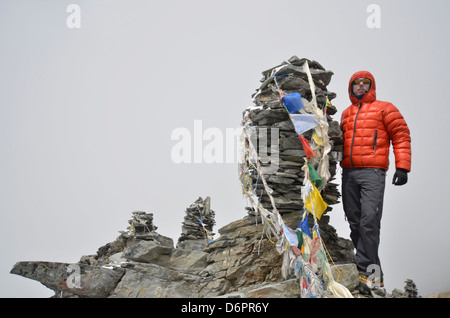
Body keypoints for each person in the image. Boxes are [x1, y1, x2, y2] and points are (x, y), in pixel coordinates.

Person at [340, 70, 411, 290]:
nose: (360, 86)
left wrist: (403, 167)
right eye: (356, 83)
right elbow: (338, 143)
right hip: (349, 174)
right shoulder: (345, 114)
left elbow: (401, 135)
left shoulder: (385, 108)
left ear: (372, 86)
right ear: (351, 88)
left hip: (373, 172)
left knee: (369, 221)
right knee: (355, 222)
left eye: (365, 83)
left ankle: (364, 271)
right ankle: (375, 278)